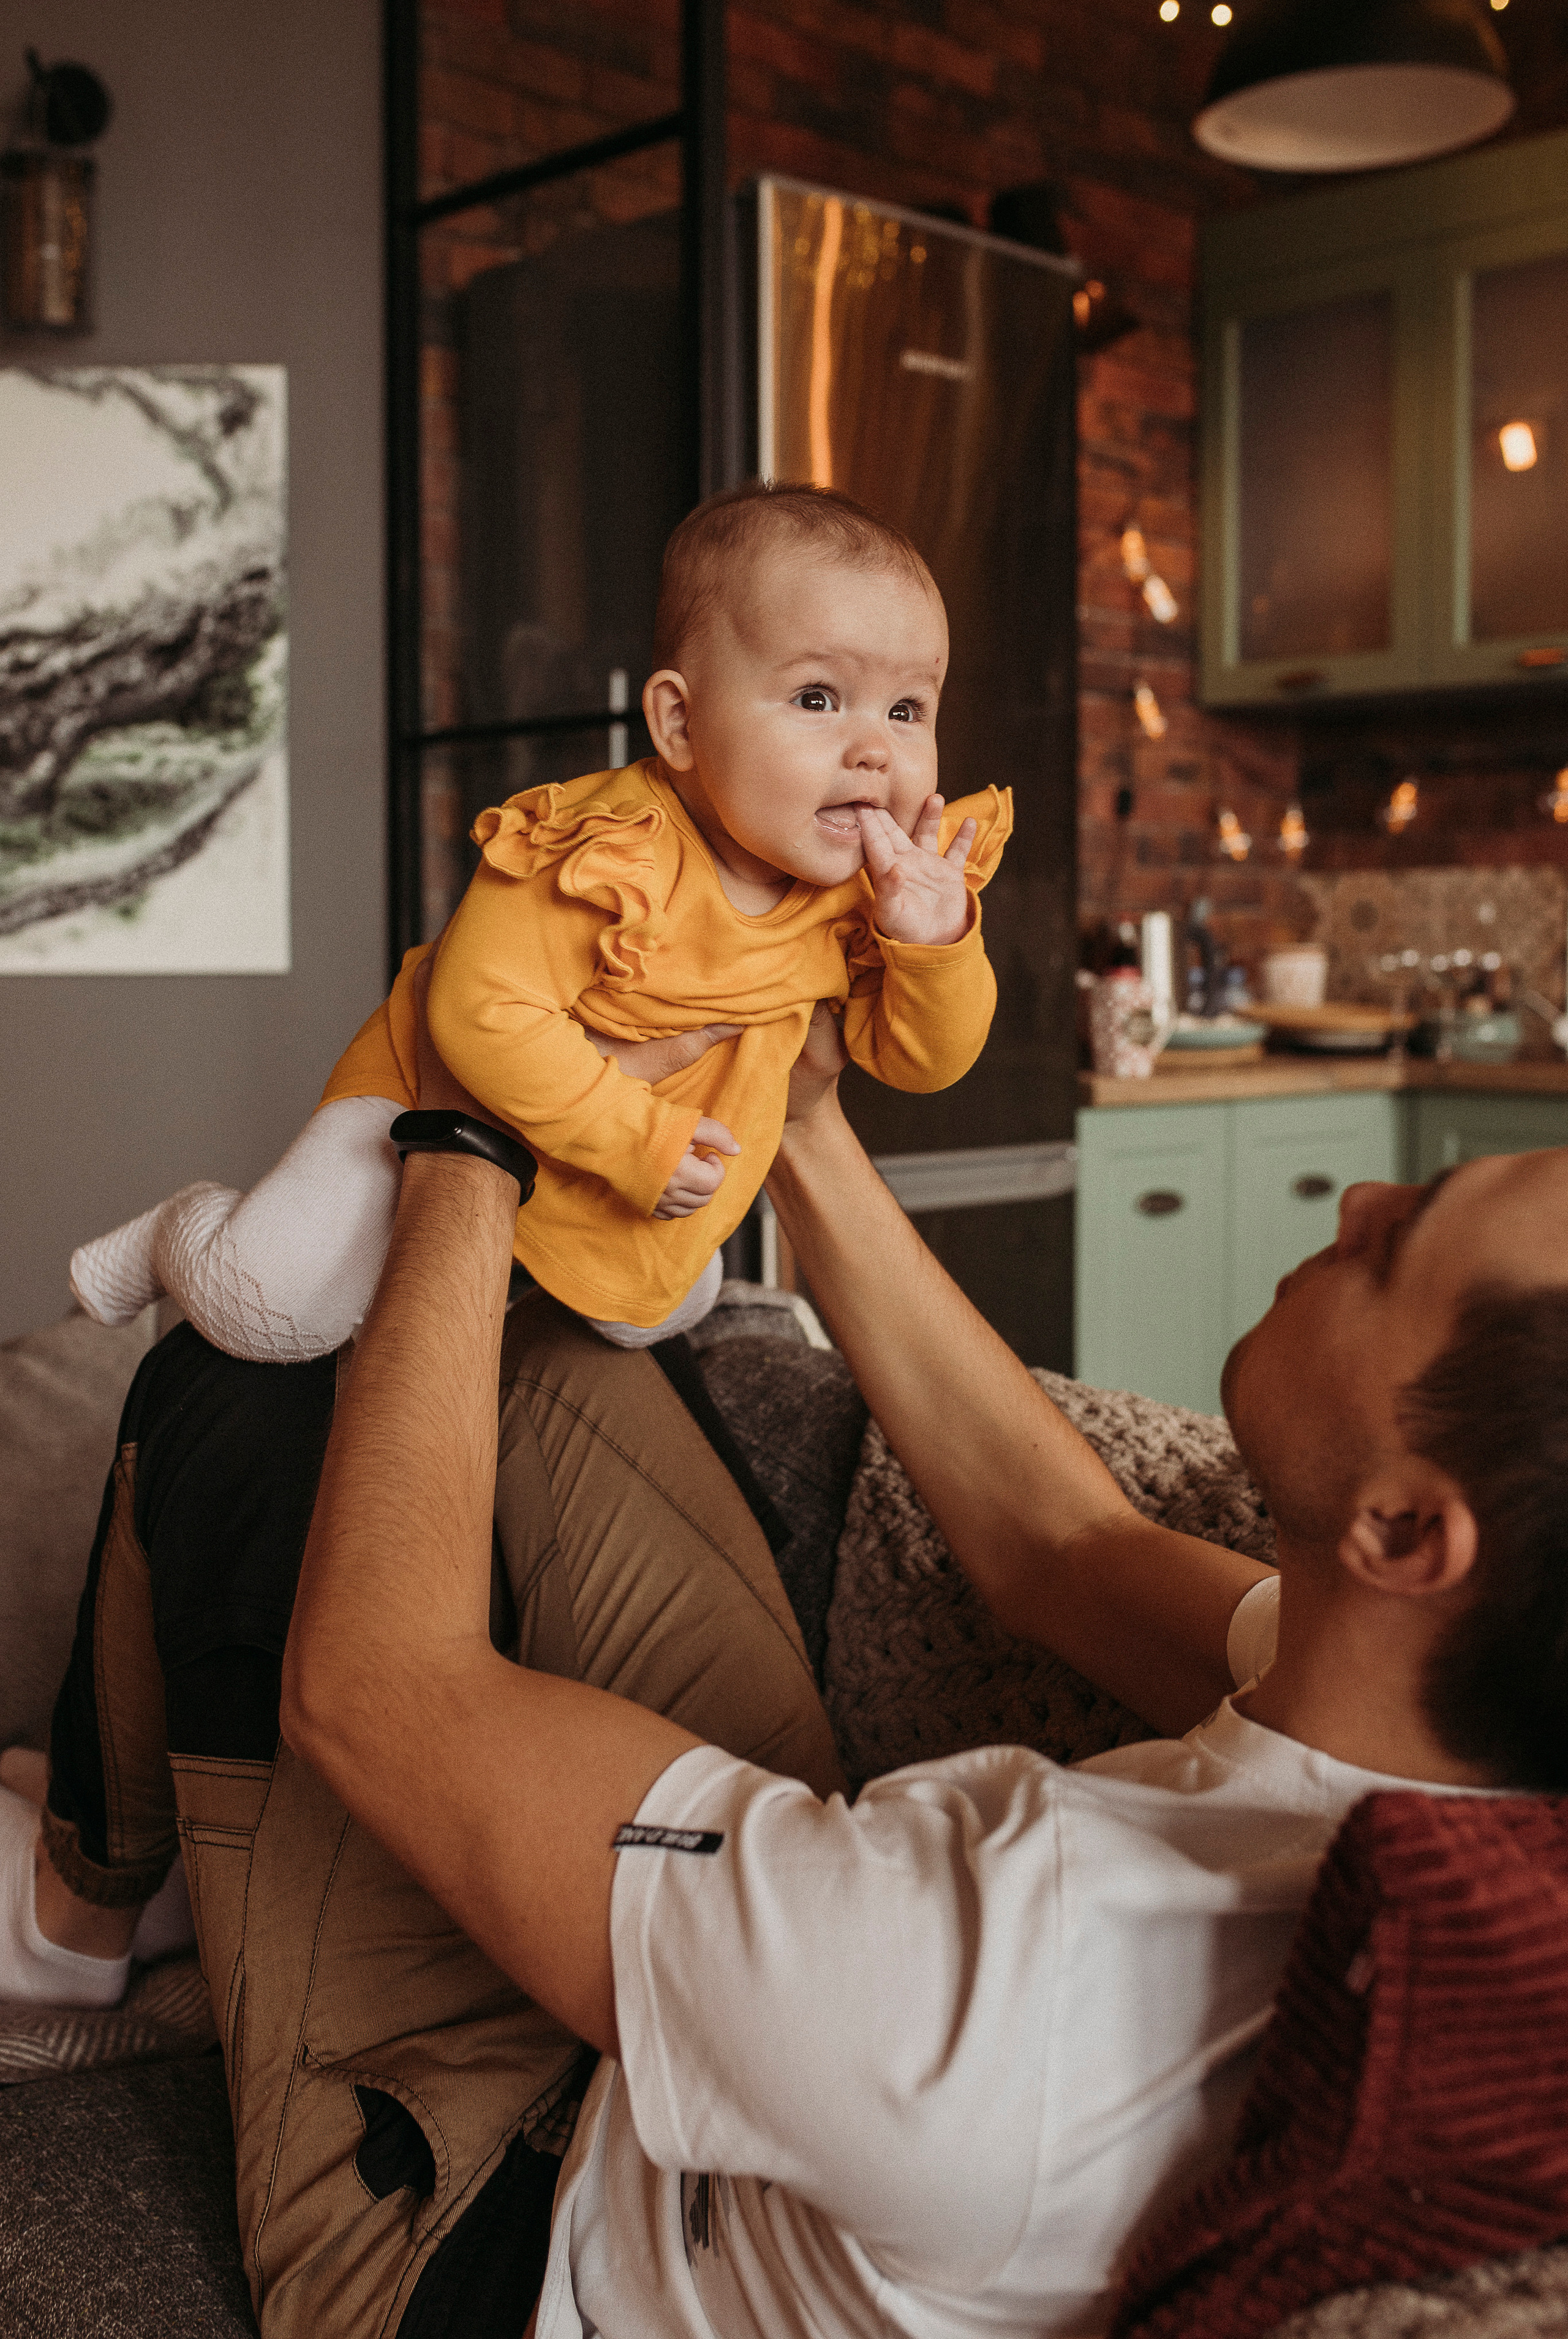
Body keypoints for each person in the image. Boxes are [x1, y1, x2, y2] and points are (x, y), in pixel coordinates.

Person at [13, 989, 1567, 2335]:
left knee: (249, 1387)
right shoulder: (1432, 1762)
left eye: (1398, 1249)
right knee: (542, 1340)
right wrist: (802, 1121)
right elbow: (1062, 1553)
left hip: (491, 2235)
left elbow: (379, 1693)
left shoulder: (1015, 1978)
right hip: (782, 2021)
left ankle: (81, 1907)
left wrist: (466, 1131)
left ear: (1403, 1532)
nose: (1361, 1197)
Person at [67, 482, 1009, 1359]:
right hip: (427, 1107)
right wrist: (634, 1139)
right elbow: (479, 1014)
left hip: (619, 1166)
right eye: (817, 698)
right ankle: (178, 1232)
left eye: (907, 707)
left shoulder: (867, 892)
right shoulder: (605, 851)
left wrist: (934, 946)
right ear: (679, 725)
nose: (875, 750)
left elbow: (918, 1063)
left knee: (653, 1317)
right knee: (266, 1310)